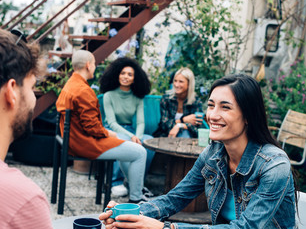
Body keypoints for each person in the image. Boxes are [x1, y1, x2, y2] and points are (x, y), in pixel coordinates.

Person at [100, 74, 298, 229]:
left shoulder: (274, 166)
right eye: (211, 105)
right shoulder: (213, 154)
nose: (213, 115)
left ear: (248, 115)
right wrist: (131, 214)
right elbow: (174, 199)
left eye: (225, 107)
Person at [0, 29, 129, 229]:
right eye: (33, 87)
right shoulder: (20, 199)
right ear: (12, 92)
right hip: (88, 144)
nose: (34, 98)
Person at [56, 50, 148, 204]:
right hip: (86, 143)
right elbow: (92, 128)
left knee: (129, 146)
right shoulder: (84, 90)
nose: (95, 66)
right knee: (140, 152)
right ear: (88, 65)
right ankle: (136, 199)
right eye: (93, 64)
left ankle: (134, 191)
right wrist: (108, 134)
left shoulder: (71, 84)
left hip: (73, 139)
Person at [99, 57, 155, 197]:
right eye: (123, 73)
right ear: (117, 74)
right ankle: (116, 182)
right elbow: (111, 122)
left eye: (130, 74)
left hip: (131, 130)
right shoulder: (108, 96)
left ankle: (136, 183)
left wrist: (139, 137)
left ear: (134, 79)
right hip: (112, 130)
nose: (125, 77)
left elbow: (141, 122)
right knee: (125, 143)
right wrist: (132, 137)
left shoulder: (137, 97)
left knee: (149, 143)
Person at [153, 67, 203, 138]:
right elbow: (164, 124)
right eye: (175, 81)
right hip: (165, 135)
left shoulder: (196, 101)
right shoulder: (166, 99)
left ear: (189, 84)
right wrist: (184, 120)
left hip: (187, 138)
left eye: (181, 81)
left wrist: (179, 125)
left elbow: (197, 129)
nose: (176, 85)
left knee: (185, 133)